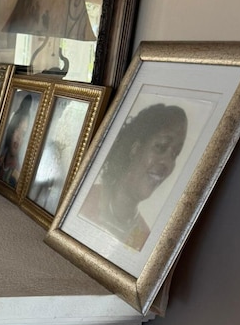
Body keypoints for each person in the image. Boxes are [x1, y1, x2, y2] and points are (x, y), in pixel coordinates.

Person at [79, 103, 188, 250]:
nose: (167, 163)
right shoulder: (82, 199)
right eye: (161, 147)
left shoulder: (144, 240)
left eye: (175, 154)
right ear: (135, 148)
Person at [0, 93, 34, 188]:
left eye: (24, 133)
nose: (19, 137)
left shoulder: (18, 174)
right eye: (18, 129)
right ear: (11, 130)